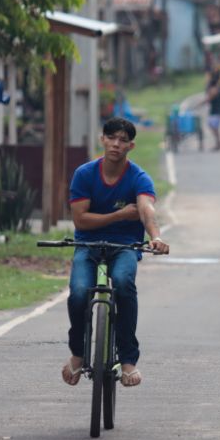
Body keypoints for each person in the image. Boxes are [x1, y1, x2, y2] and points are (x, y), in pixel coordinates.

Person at [62, 118, 170, 388]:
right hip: (88, 245)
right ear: (103, 140)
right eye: (111, 138)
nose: (116, 144)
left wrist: (155, 236)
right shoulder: (85, 174)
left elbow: (146, 210)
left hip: (125, 246)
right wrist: (119, 214)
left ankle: (128, 359)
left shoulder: (139, 177)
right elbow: (81, 221)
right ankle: (78, 352)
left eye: (122, 140)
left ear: (130, 146)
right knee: (78, 293)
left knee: (123, 284)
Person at [202, 67, 220, 151]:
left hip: (216, 109)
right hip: (216, 108)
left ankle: (219, 143)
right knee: (213, 126)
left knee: (213, 126)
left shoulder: (214, 86)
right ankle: (218, 143)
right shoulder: (214, 85)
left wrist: (201, 103)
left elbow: (210, 97)